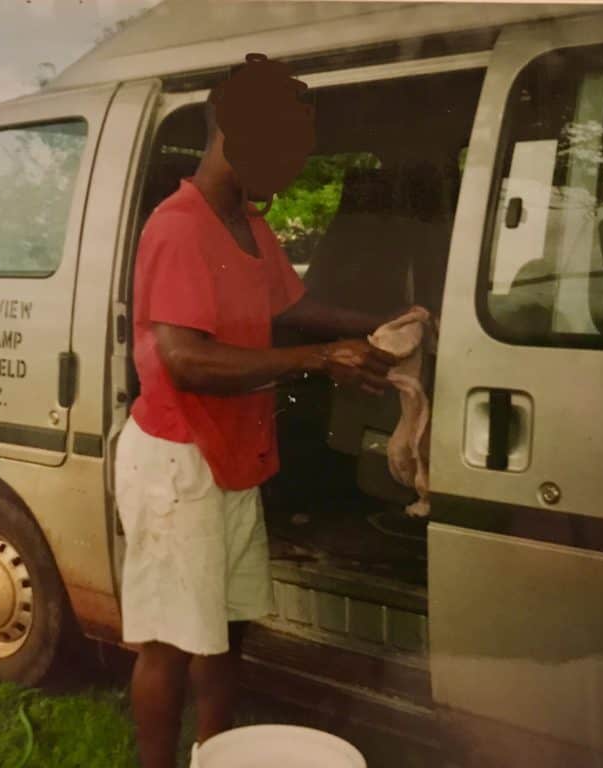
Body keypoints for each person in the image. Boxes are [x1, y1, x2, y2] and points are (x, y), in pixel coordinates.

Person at [116, 53, 414, 768]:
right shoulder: (178, 227)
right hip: (177, 464)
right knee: (168, 642)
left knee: (225, 628)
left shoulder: (247, 224)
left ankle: (215, 756)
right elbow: (183, 359)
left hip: (232, 459)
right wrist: (320, 359)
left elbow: (297, 305)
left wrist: (385, 324)